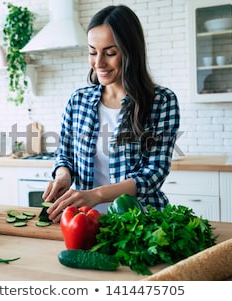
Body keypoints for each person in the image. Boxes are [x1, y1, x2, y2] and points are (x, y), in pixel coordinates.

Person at [43, 5, 180, 222]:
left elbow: (154, 173)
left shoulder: (161, 101)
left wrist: (96, 196)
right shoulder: (78, 101)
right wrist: (63, 175)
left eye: (110, 53)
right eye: (92, 52)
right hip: (85, 222)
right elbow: (65, 154)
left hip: (141, 223)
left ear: (130, 52)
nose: (98, 63)